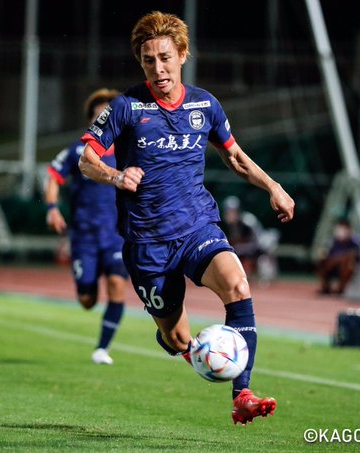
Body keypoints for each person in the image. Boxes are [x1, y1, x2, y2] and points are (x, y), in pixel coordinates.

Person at [78, 11, 295, 425]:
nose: (158, 68)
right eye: (149, 60)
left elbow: (234, 156)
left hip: (196, 226)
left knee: (238, 285)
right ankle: (173, 339)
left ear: (182, 54)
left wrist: (273, 187)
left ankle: (242, 394)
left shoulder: (204, 104)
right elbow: (87, 160)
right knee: (178, 338)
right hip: (147, 242)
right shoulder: (126, 107)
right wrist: (116, 175)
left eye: (165, 58)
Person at [45, 88, 128, 365]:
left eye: (108, 114)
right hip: (84, 236)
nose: (103, 118)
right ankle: (88, 286)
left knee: (117, 284)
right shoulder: (78, 151)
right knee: (86, 299)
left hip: (116, 235)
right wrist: (52, 208)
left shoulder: (130, 150)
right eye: (98, 114)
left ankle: (102, 348)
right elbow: (53, 176)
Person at [316, 218, 360, 295]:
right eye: (339, 228)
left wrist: (340, 259)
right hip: (334, 265)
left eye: (344, 229)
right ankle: (325, 287)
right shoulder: (334, 240)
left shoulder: (356, 241)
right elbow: (328, 254)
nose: (341, 231)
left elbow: (359, 258)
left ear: (349, 230)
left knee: (346, 260)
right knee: (322, 261)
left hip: (350, 268)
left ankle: (342, 288)